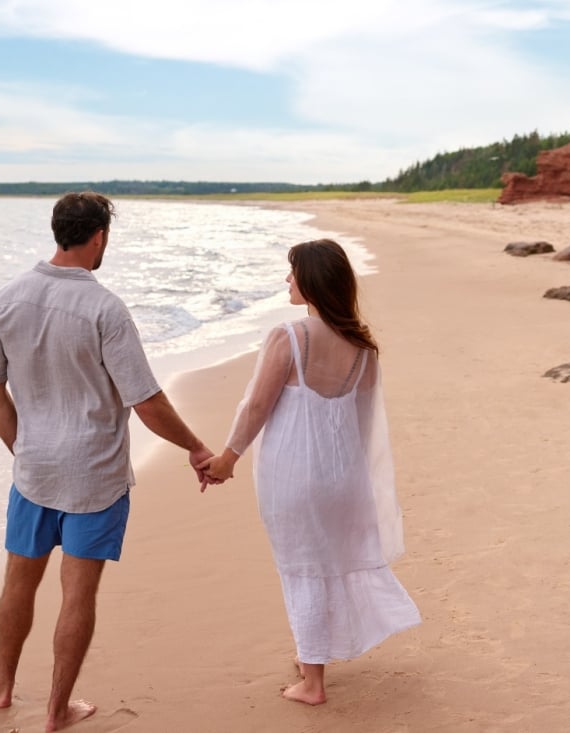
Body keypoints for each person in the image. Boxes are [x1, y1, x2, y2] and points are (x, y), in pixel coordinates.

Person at [0, 191, 217, 731]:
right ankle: (58, 712)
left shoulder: (6, 299)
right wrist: (197, 448)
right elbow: (147, 403)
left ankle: (2, 687)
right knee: (77, 593)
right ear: (99, 236)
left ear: (58, 230)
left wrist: (25, 448)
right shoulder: (105, 308)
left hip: (33, 473)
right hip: (96, 478)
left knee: (19, 583)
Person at [200, 238, 420, 705]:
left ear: (313, 280)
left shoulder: (291, 336)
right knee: (326, 564)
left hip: (295, 475)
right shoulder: (364, 349)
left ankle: (313, 682)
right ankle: (312, 658)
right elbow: (362, 427)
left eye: (292, 271)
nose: (287, 280)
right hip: (344, 476)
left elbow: (255, 405)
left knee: (301, 569)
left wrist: (227, 459)